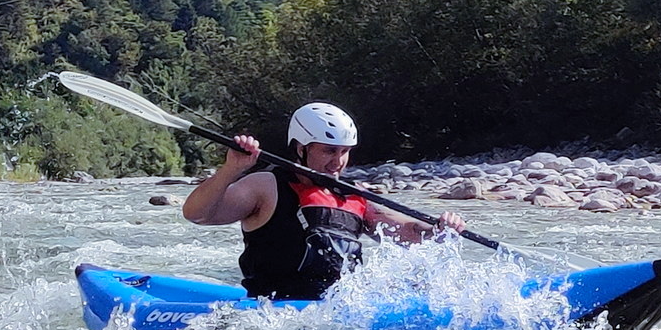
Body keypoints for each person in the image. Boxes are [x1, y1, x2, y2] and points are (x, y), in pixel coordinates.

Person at [182, 102, 466, 300]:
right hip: (275, 310)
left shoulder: (353, 194)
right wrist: (232, 169)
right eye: (329, 151)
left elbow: (405, 233)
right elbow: (197, 213)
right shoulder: (266, 186)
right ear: (301, 148)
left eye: (345, 151)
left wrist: (439, 230)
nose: (338, 162)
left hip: (334, 312)